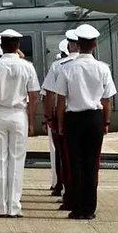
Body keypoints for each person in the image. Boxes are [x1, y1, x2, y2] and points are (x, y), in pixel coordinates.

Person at [51, 24, 116, 220]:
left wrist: (61, 124)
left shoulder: (66, 68)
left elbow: (60, 100)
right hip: (95, 119)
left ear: (78, 44)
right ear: (95, 45)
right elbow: (107, 100)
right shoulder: (103, 68)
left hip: (74, 119)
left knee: (75, 164)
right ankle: (90, 208)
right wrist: (106, 122)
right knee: (92, 164)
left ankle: (78, 205)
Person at [0, 29, 40, 218]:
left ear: (1, 46)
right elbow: (34, 96)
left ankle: (0, 207)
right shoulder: (27, 66)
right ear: (18, 46)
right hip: (19, 114)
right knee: (17, 161)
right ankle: (14, 206)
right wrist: (31, 119)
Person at [43, 32, 77, 200]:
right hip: (90, 116)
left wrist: (49, 117)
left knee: (61, 154)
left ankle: (62, 187)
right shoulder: (99, 66)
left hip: (63, 114)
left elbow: (49, 93)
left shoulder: (59, 66)